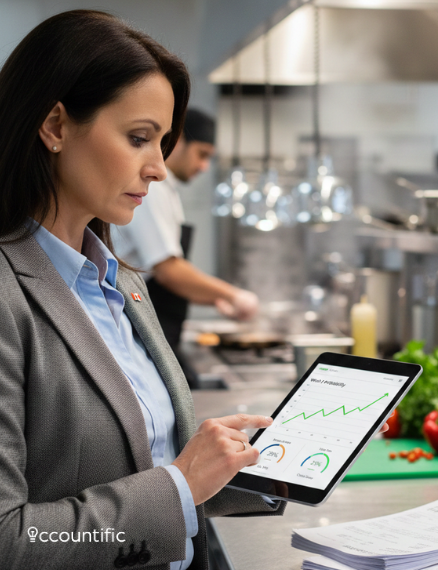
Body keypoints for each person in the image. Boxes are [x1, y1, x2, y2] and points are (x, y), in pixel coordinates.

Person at [0, 11, 284, 569]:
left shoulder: (121, 284)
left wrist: (254, 470)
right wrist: (181, 483)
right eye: (138, 139)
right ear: (55, 126)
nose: (157, 168)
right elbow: (10, 542)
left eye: (163, 142)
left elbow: (139, 467)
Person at [113, 108, 258, 387]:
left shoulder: (167, 192)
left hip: (152, 319)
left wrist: (218, 300)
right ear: (178, 142)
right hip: (134, 324)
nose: (204, 166)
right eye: (202, 154)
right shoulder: (149, 191)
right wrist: (235, 295)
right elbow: (168, 270)